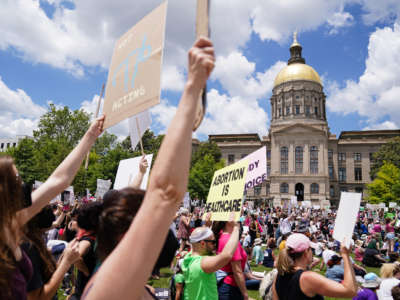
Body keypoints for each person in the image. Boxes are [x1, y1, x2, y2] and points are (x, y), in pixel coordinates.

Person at [79, 37, 216, 300]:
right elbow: (165, 192)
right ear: (125, 237)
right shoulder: (111, 289)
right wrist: (192, 87)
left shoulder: (115, 283)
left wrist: (141, 175)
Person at [0, 115, 104, 299]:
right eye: (18, 180)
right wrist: (66, 263)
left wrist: (90, 135)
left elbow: (58, 180)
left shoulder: (10, 223)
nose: (24, 186)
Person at [273, 233, 358, 300]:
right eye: (311, 249)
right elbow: (350, 291)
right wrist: (345, 255)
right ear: (306, 252)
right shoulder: (307, 277)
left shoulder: (279, 275)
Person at [22, 205, 80, 300]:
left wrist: (62, 258)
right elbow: (37, 297)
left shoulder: (30, 237)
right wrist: (66, 262)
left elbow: (56, 223)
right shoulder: (29, 248)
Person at [181, 222, 240, 300]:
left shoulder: (188, 258)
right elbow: (226, 256)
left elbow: (196, 239)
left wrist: (206, 225)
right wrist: (236, 229)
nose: (215, 245)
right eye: (213, 242)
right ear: (202, 243)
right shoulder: (202, 264)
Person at [214, 221, 249, 300]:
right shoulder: (231, 241)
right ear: (229, 222)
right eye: (237, 220)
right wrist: (245, 294)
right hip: (231, 286)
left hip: (223, 284)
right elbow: (237, 271)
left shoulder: (220, 236)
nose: (239, 223)